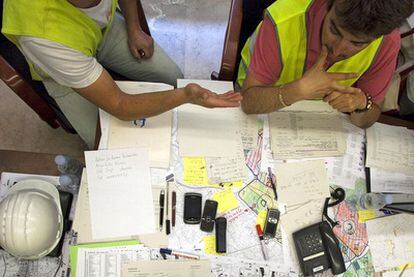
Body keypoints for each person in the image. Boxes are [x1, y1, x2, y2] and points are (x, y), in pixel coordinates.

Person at [2, 0, 242, 148]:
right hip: (60, 64)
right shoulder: (41, 34)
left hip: (102, 30)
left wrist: (134, 27)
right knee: (104, 146)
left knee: (172, 76)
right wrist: (188, 95)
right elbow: (119, 104)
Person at [237, 0, 413, 128]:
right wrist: (298, 90)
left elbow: (369, 118)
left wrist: (361, 105)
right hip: (262, 102)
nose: (336, 51)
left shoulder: (387, 41)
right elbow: (248, 103)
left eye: (357, 43)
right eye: (334, 30)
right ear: (329, 4)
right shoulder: (284, 19)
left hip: (317, 119)